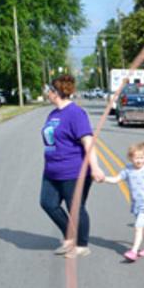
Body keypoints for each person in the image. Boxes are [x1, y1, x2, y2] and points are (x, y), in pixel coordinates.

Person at [40, 74, 105, 258]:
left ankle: (82, 245)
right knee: (47, 203)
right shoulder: (53, 114)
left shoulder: (75, 113)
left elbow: (88, 141)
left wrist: (96, 167)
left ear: (56, 92)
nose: (47, 94)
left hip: (74, 171)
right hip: (51, 170)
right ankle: (69, 236)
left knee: (76, 208)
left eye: (49, 91)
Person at [103, 141, 144, 261]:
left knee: (138, 226)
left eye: (142, 158)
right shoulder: (128, 169)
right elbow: (116, 179)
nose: (139, 160)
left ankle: (134, 251)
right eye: (136, 158)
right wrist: (103, 179)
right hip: (136, 203)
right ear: (131, 158)